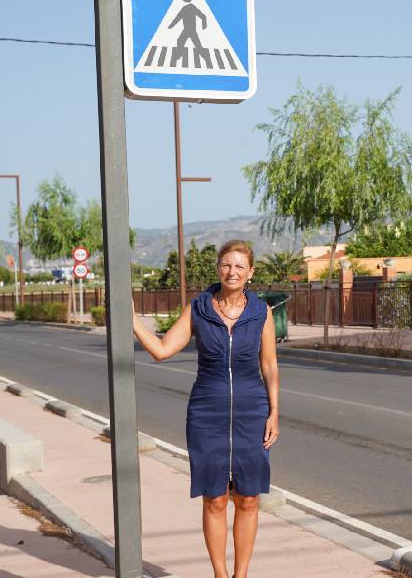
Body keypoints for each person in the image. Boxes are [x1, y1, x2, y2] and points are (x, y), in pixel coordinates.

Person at [132, 240, 280, 578]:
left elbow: (270, 366)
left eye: (240, 266)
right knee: (214, 498)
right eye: (227, 265)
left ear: (251, 273)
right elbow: (162, 349)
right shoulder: (198, 308)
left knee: (248, 498)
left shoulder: (262, 312)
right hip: (206, 412)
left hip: (252, 411)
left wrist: (274, 412)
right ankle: (220, 575)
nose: (233, 272)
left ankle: (240, 576)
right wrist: (133, 321)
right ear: (218, 268)